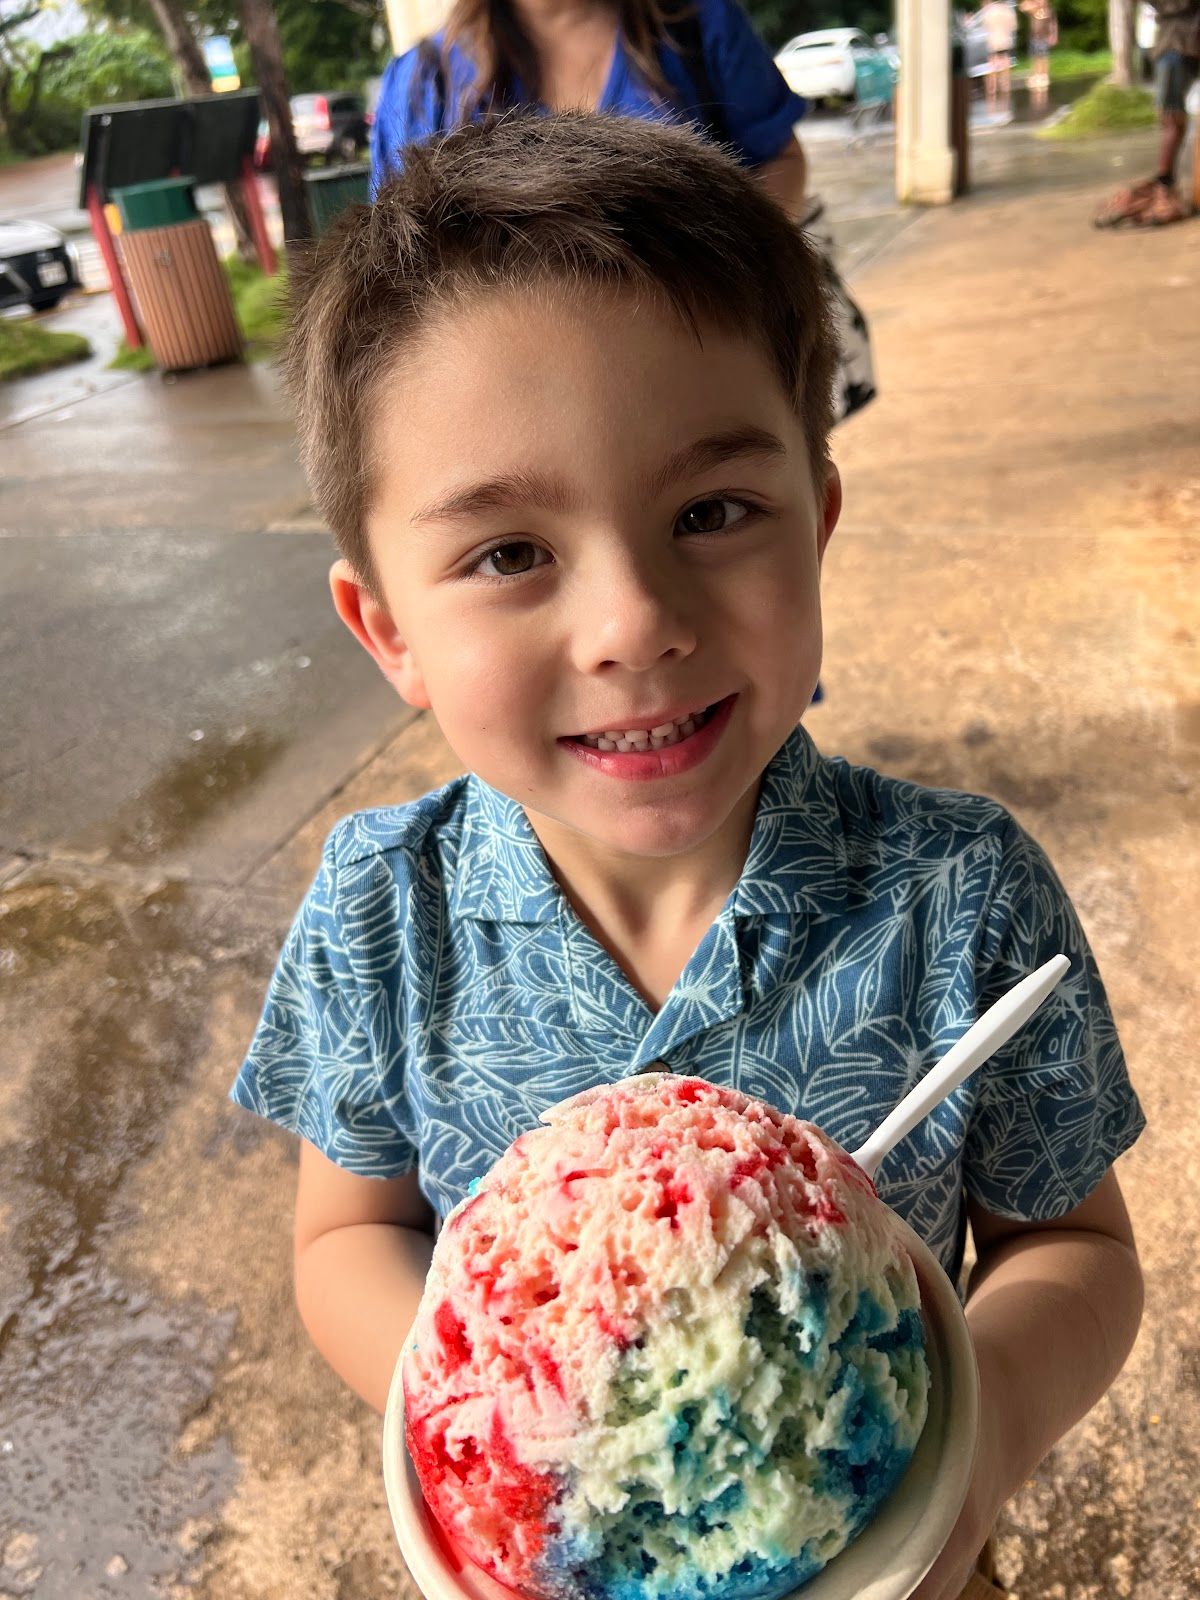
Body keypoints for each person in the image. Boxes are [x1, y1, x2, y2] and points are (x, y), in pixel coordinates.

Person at [230, 114, 1145, 1600]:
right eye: (510, 553)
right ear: (386, 628)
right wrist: (499, 1410)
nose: (633, 624)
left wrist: (983, 1445)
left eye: (712, 513)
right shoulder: (379, 910)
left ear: (820, 519)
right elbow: (349, 1229)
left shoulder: (961, 895)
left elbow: (1079, 1250)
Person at [370, 0, 809, 220]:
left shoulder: (696, 23)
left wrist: (738, 277)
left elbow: (780, 159)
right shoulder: (423, 86)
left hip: (702, 350)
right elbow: (396, 267)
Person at [1096, 0, 1199, 225]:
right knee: (1171, 119)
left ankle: (1165, 182)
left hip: (1179, 40)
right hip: (1177, 41)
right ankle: (1164, 182)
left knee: (1172, 119)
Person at [976, 0, 1018, 116]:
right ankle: (1005, 87)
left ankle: (992, 89)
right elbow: (1014, 26)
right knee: (1005, 63)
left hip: (993, 41)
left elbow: (984, 25)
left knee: (992, 64)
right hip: (1005, 39)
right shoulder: (1008, 10)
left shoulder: (988, 11)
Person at [1019, 0, 1057, 109]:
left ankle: (1044, 76)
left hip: (1044, 38)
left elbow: (1053, 24)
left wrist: (1053, 35)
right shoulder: (1033, 10)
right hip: (1034, 38)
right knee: (1035, 57)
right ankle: (1035, 75)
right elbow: (1022, 7)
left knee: (1043, 57)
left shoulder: (1048, 11)